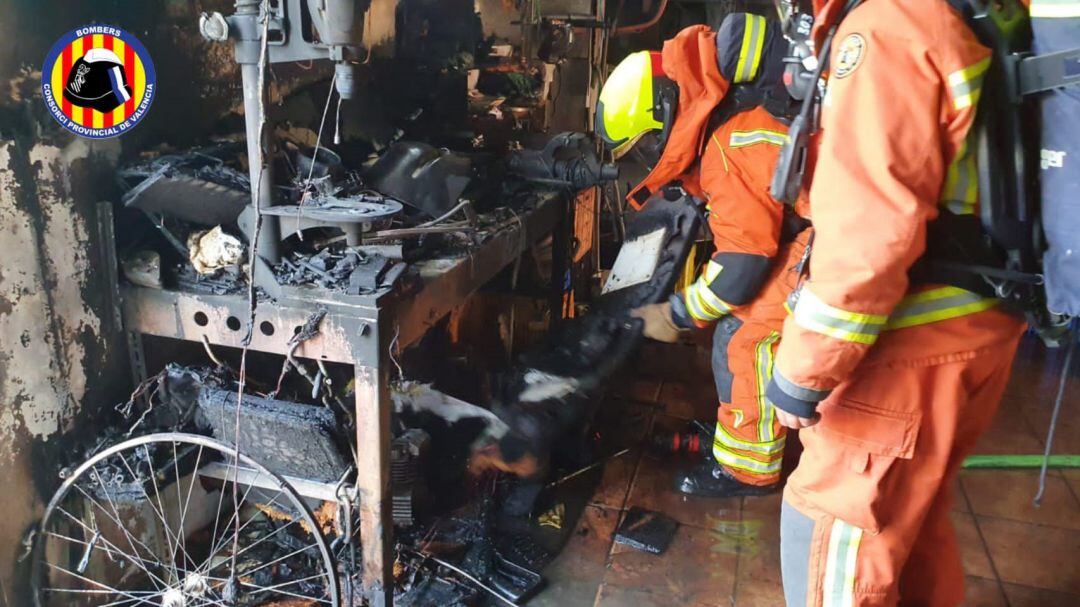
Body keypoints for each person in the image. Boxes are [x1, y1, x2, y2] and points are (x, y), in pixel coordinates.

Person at [764, 1, 1028, 604]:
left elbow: (868, 231)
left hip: (907, 344)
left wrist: (802, 372)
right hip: (978, 319)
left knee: (837, 528)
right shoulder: (964, 11)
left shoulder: (887, 26)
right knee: (912, 524)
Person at [595, 13, 811, 497]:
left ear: (666, 108)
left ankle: (747, 469)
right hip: (821, 223)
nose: (653, 152)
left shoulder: (728, 143)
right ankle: (746, 426)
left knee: (743, 335)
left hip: (834, 234)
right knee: (730, 320)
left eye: (650, 141)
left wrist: (676, 313)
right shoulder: (732, 108)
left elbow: (742, 268)